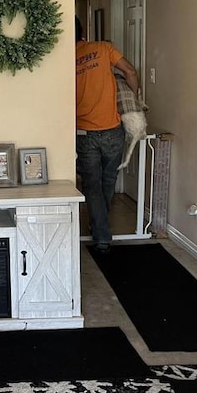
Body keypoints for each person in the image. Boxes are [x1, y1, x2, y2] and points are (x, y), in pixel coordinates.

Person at [75, 16, 139, 253]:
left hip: (83, 132)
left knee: (92, 184)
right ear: (83, 31)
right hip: (112, 129)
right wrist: (133, 97)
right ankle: (100, 228)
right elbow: (129, 71)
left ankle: (101, 233)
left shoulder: (63, 58)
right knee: (108, 180)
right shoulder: (103, 48)